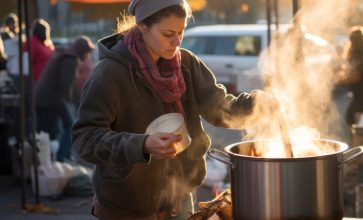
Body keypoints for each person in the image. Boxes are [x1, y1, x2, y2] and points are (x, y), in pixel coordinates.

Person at [72, 1, 278, 219]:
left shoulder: (186, 64)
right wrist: (141, 145)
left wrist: (256, 105)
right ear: (142, 26)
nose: (177, 41)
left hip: (179, 200)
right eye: (168, 33)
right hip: (127, 206)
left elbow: (219, 108)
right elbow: (85, 138)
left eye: (181, 32)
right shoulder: (109, 74)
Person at [35, 35, 95, 162]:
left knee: (47, 131)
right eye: (87, 52)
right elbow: (66, 85)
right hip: (51, 98)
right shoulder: (70, 60)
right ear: (82, 52)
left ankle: (54, 157)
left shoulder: (65, 55)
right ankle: (62, 156)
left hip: (45, 97)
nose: (88, 55)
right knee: (70, 126)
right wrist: (73, 100)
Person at [24, 18, 54, 83]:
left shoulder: (47, 43)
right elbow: (26, 64)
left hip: (48, 79)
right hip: (36, 80)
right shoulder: (31, 43)